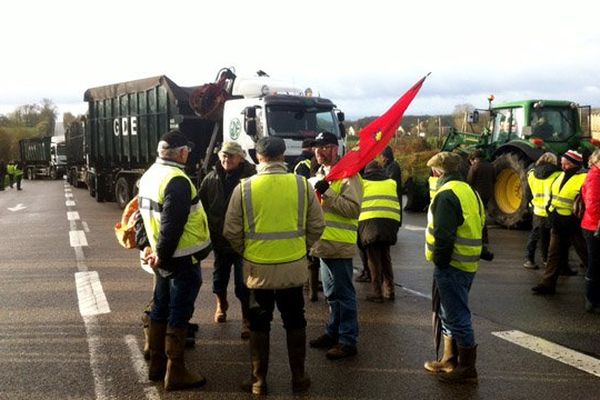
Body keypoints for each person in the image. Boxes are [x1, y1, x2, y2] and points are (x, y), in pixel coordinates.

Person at [223, 136, 325, 395]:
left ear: (258, 157)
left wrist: (247, 252)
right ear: (283, 156)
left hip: (258, 270)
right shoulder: (302, 185)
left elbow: (231, 230)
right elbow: (317, 225)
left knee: (259, 323)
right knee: (295, 320)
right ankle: (299, 378)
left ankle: (258, 381)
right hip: (293, 267)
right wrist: (301, 248)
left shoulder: (244, 188)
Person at [138, 130, 212, 391]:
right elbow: (173, 223)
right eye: (187, 151)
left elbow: (140, 215)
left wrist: (146, 246)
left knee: (160, 307)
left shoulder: (149, 175)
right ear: (181, 153)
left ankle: (156, 366)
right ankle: (175, 371)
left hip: (163, 257)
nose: (188, 154)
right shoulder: (177, 180)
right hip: (180, 258)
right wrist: (163, 254)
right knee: (179, 312)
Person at [423, 151, 484, 384]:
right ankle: (449, 359)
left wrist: (440, 262)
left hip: (451, 265)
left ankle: (467, 368)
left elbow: (444, 235)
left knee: (457, 315)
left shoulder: (446, 194)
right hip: (468, 262)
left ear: (438, 171)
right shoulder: (469, 191)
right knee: (449, 312)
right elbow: (479, 223)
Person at [308, 131, 363, 360]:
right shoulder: (321, 174)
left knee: (344, 294)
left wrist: (327, 192)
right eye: (317, 147)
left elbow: (353, 209)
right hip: (323, 244)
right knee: (331, 294)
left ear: (335, 149)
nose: (319, 151)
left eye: (325, 146)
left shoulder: (349, 175)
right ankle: (333, 332)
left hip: (339, 244)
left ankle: (348, 340)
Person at [199, 142, 256, 339]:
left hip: (243, 241)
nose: (226, 159)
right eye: (223, 156)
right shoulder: (211, 178)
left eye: (231, 156)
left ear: (241, 157)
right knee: (219, 279)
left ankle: (246, 319)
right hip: (220, 240)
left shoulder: (252, 178)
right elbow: (202, 206)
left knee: (243, 284)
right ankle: (221, 306)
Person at [532, 150, 588, 295]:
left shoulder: (584, 178)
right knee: (553, 254)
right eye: (562, 163)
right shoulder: (561, 175)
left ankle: (595, 284)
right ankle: (547, 284)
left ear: (574, 164)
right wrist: (550, 211)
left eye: (566, 163)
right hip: (558, 221)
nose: (562, 166)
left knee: (585, 254)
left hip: (574, 223)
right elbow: (553, 195)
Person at [358, 161, 401, 302]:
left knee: (374, 260)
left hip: (370, 222)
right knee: (386, 256)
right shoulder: (391, 182)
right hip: (390, 222)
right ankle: (390, 289)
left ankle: (377, 293)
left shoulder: (363, 183)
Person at [523, 153, 561, 269]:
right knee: (550, 238)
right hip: (551, 210)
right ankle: (546, 260)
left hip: (537, 210)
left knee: (534, 236)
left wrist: (531, 205)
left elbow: (527, 193)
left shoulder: (531, 174)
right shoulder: (558, 175)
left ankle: (529, 259)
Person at [581, 149, 600, 313]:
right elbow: (593, 204)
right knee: (595, 263)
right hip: (594, 227)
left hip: (593, 225)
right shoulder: (595, 176)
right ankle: (592, 299)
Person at [467, 150, 495, 260]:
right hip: (488, 194)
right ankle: (485, 238)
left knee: (478, 216)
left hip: (477, 194)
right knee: (483, 214)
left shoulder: (475, 167)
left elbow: (469, 181)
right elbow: (495, 179)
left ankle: (481, 237)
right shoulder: (491, 166)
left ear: (474, 158)